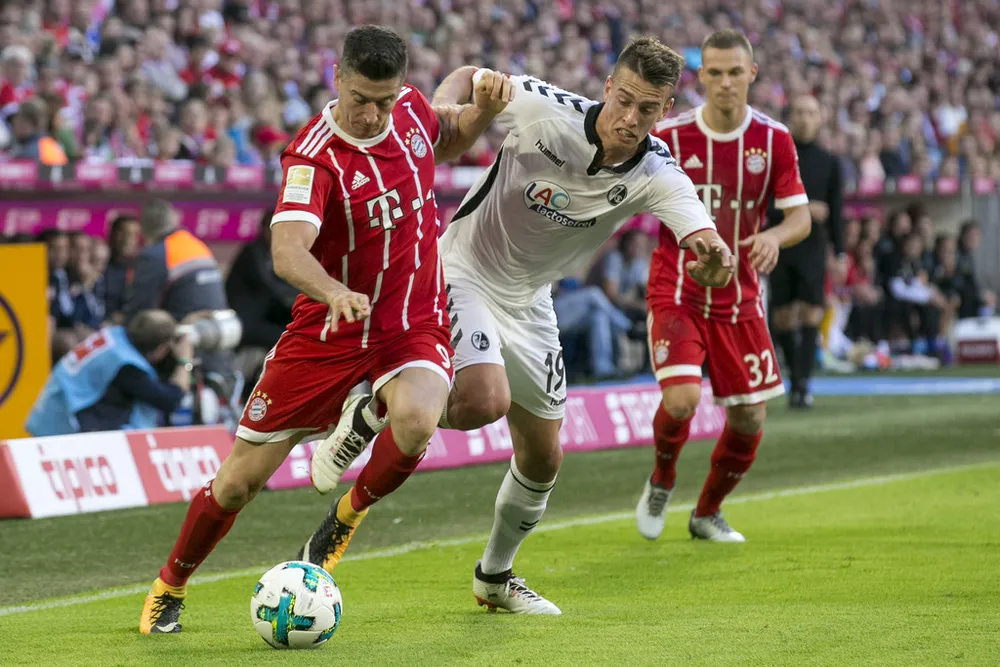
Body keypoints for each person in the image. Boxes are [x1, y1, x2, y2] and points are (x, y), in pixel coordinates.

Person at [307, 36, 734, 614]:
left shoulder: (658, 173)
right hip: (460, 270)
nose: (631, 119)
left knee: (543, 457)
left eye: (648, 109)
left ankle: (494, 577)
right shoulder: (542, 107)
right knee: (484, 400)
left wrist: (712, 256)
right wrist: (446, 112)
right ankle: (376, 409)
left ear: (665, 109)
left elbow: (702, 240)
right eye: (624, 100)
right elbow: (466, 75)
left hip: (531, 301)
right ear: (606, 88)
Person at [138, 24, 511, 635]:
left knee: (418, 419)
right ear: (336, 77)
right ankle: (169, 585)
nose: (371, 114)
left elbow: (446, 141)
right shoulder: (313, 157)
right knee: (237, 485)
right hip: (327, 334)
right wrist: (334, 290)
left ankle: (344, 516)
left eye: (383, 100)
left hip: (408, 323)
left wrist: (483, 116)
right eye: (361, 98)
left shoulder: (412, 112)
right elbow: (287, 250)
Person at [638, 29, 811, 543]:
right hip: (678, 288)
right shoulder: (668, 136)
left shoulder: (773, 138)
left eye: (735, 72)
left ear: (751, 74)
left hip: (740, 297)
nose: (725, 82)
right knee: (682, 400)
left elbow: (798, 216)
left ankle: (706, 512)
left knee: (749, 418)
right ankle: (662, 479)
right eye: (714, 73)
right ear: (701, 78)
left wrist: (776, 237)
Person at [767, 94, 844, 408]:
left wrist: (839, 253)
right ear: (790, 117)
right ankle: (796, 381)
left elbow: (836, 210)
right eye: (799, 112)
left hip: (813, 246)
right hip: (781, 241)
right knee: (783, 316)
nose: (805, 117)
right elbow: (764, 203)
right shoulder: (776, 157)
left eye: (811, 112)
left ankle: (802, 384)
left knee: (812, 311)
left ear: (820, 118)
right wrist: (803, 208)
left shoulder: (830, 162)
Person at [25, 310, 192, 436]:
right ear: (160, 349)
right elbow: (169, 400)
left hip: (49, 411)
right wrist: (185, 361)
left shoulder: (115, 337)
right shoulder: (125, 365)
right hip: (59, 426)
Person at [123, 198, 232, 380]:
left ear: (143, 230)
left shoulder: (154, 255)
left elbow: (138, 314)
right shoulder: (197, 245)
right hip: (218, 345)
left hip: (182, 346)